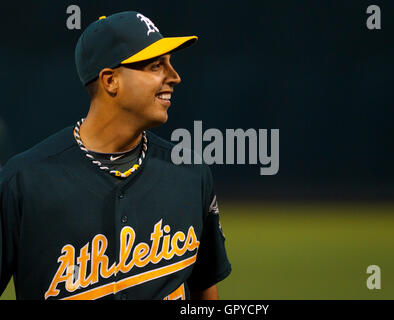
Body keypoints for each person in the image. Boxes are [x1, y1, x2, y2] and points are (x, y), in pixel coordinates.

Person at [0, 11, 231, 300]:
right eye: (156, 66)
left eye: (171, 64)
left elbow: (204, 291)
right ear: (111, 81)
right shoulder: (23, 181)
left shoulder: (190, 172)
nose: (175, 77)